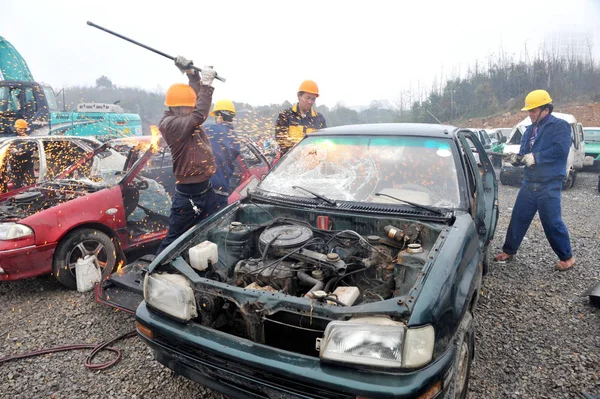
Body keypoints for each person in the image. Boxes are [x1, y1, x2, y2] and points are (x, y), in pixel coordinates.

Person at [495, 89, 575, 271]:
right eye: (529, 111)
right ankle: (509, 251)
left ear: (545, 110)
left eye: (533, 111)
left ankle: (567, 257)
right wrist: (515, 159)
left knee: (552, 222)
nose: (529, 114)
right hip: (529, 183)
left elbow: (561, 150)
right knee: (518, 218)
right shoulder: (529, 130)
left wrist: (536, 157)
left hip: (549, 184)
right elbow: (524, 154)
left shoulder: (560, 126)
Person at [155, 57, 218, 255]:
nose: (192, 108)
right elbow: (199, 114)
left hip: (205, 190)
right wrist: (207, 86)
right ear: (176, 107)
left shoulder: (182, 114)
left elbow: (195, 100)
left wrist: (193, 75)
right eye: (188, 106)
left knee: (206, 237)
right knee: (173, 240)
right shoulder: (171, 125)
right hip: (188, 196)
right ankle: (155, 274)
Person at [204, 99, 241, 215]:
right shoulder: (234, 137)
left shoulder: (212, 130)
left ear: (219, 116)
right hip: (223, 188)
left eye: (216, 116)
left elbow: (191, 128)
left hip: (210, 189)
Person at [275, 80, 327, 155]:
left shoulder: (319, 118)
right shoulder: (285, 115)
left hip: (312, 162)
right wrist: (298, 148)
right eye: (308, 98)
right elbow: (281, 139)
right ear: (299, 96)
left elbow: (323, 142)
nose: (310, 102)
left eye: (313, 99)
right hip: (289, 162)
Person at [8, 119, 36, 189]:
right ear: (16, 128)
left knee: (31, 184)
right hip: (15, 166)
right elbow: (8, 149)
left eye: (22, 129)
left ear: (25, 129)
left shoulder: (29, 139)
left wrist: (19, 152)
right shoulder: (12, 138)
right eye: (19, 128)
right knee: (16, 185)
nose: (20, 130)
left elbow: (30, 151)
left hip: (27, 165)